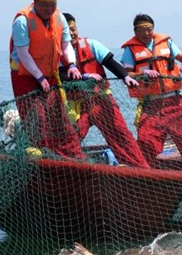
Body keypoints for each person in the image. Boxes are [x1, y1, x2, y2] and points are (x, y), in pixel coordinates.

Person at [120, 14, 182, 171]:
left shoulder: (166, 42)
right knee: (146, 140)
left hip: (175, 102)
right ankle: (144, 175)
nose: (146, 33)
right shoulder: (130, 50)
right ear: (135, 31)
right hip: (151, 104)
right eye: (142, 30)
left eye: (149, 29)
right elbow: (126, 74)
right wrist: (142, 74)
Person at [61, 13, 149, 168]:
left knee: (120, 135)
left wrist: (125, 77)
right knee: (69, 137)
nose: (72, 33)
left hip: (101, 101)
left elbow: (110, 62)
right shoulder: (57, 52)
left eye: (74, 29)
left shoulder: (91, 44)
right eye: (68, 31)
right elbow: (61, 75)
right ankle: (68, 169)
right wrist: (85, 76)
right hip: (77, 105)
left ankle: (140, 169)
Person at [9, 0, 85, 159]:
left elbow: (66, 45)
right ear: (35, 1)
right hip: (25, 76)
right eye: (44, 5)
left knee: (58, 116)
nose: (49, 9)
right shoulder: (22, 20)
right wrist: (39, 77)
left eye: (53, 5)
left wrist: (72, 65)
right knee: (37, 117)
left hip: (50, 74)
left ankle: (71, 154)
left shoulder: (59, 17)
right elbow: (23, 53)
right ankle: (42, 155)